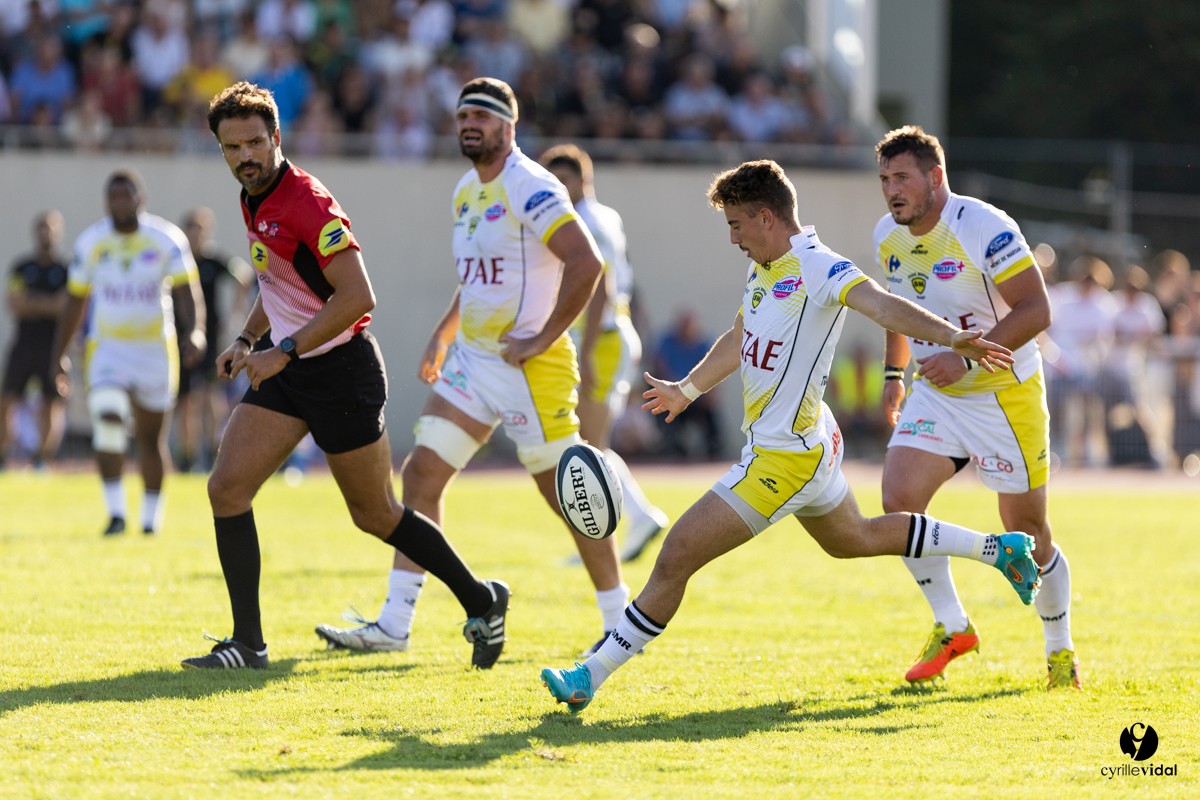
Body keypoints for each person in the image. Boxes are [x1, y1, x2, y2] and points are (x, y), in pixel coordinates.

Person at [540, 159, 1039, 712]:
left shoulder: (819, 266)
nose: (732, 238)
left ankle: (589, 676)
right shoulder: (766, 265)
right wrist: (687, 389)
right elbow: (740, 335)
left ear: (766, 217)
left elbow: (882, 305)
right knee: (855, 538)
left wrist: (953, 338)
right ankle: (1000, 550)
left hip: (784, 460)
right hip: (807, 442)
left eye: (736, 225)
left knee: (675, 555)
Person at [185, 82, 508, 670]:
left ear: (276, 137)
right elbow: (277, 280)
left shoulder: (306, 201)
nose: (245, 156)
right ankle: (248, 644)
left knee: (375, 514)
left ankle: (482, 600)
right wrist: (247, 339)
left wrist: (283, 350)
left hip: (341, 372)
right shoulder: (253, 195)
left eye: (255, 143)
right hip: (289, 366)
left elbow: (359, 296)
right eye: (233, 148)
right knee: (226, 489)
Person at [314, 78, 626, 657]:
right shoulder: (465, 190)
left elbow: (588, 263)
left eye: (481, 115)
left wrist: (543, 337)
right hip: (475, 362)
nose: (468, 125)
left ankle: (619, 620)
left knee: (568, 495)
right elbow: (477, 279)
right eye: (462, 116)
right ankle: (395, 624)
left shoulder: (531, 184)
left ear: (509, 124)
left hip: (531, 368)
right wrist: (443, 332)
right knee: (421, 476)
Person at [873, 126, 1079, 690]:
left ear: (935, 177)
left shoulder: (984, 226)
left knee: (1028, 531)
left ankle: (1060, 652)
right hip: (937, 393)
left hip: (1003, 393)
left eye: (902, 178)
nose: (892, 190)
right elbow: (897, 309)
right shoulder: (888, 235)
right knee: (899, 503)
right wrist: (894, 375)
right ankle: (953, 626)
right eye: (885, 179)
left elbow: (1036, 310)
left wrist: (964, 361)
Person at [50, 171, 206, 536]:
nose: (120, 203)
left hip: (155, 350)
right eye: (114, 197)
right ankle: (117, 514)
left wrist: (196, 331)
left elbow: (187, 291)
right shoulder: (92, 242)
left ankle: (150, 521)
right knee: (109, 420)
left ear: (141, 198)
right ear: (106, 202)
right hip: (108, 349)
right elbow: (75, 301)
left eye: (127, 195)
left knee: (151, 439)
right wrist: (59, 354)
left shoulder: (166, 238)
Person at [539, 143, 670, 567]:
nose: (557, 189)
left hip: (603, 339)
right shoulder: (604, 216)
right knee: (589, 444)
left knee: (587, 446)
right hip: (607, 336)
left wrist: (588, 350)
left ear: (583, 179)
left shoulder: (584, 222)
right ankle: (633, 520)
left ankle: (606, 538)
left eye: (563, 180)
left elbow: (602, 288)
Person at [174, 207, 253, 473]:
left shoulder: (213, 261)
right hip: (181, 337)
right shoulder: (178, 261)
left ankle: (212, 450)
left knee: (211, 395)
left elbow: (244, 277)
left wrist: (235, 316)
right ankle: (187, 456)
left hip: (209, 338)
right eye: (191, 228)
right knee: (185, 400)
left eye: (200, 229)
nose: (195, 234)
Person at [0, 211, 70, 469]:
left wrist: (33, 302)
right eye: (42, 228)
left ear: (58, 233)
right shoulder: (21, 267)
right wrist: (48, 303)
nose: (46, 234)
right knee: (7, 399)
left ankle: (42, 460)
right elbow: (14, 303)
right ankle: (3, 457)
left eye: (50, 229)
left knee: (50, 403)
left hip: (54, 346)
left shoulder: (66, 270)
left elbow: (65, 307)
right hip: (23, 344)